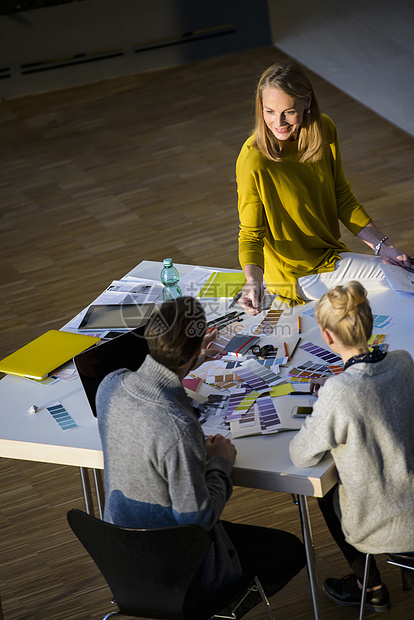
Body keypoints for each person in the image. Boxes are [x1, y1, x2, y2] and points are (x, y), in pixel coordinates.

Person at [97, 296, 306, 615]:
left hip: (120, 556)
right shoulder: (179, 427)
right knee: (291, 551)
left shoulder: (110, 385)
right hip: (181, 571)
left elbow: (147, 415)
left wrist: (191, 359)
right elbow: (196, 520)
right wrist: (220, 463)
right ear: (195, 350)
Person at [236, 60, 413, 311]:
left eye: (288, 111)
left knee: (401, 277)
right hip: (294, 273)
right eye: (269, 111)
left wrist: (385, 247)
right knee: (405, 281)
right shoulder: (253, 159)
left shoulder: (324, 129)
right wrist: (253, 281)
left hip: (329, 256)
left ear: (307, 101)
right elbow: (250, 234)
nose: (279, 122)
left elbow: (342, 197)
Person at [289, 281, 414, 613]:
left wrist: (324, 406)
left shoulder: (338, 392)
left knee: (326, 495)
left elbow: (300, 455)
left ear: (328, 337)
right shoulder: (403, 361)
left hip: (381, 527)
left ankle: (369, 586)